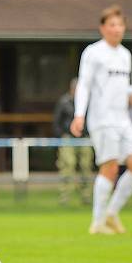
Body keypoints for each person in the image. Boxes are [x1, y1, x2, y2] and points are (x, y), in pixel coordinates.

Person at [70, 5, 132, 235]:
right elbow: (84, 84)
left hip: (123, 119)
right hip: (102, 120)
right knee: (110, 169)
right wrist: (79, 114)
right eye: (112, 25)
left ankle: (111, 214)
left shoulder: (125, 54)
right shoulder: (93, 52)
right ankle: (97, 223)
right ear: (102, 28)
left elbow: (118, 87)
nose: (117, 29)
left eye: (120, 25)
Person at [53, 78, 93, 206]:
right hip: (68, 138)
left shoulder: (87, 101)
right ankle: (65, 198)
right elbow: (57, 122)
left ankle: (86, 197)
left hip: (84, 137)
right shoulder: (64, 101)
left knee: (86, 166)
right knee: (68, 165)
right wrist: (62, 136)